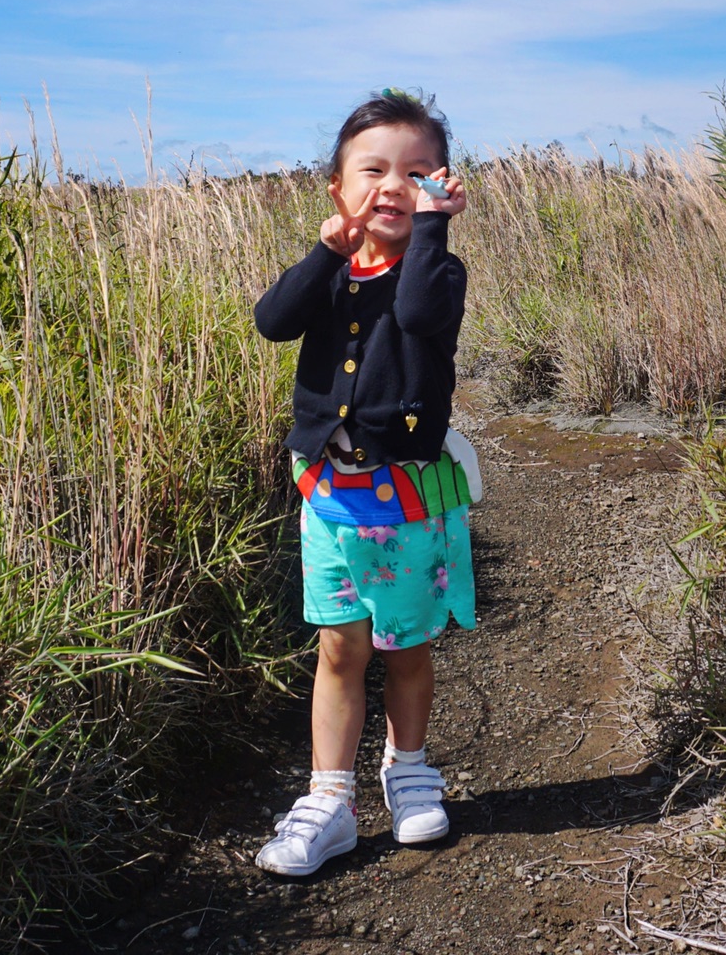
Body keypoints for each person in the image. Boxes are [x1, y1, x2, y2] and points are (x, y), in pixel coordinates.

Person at [251, 89, 480, 876]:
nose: (394, 184)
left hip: (409, 503)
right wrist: (326, 254)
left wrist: (430, 226)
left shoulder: (437, 271)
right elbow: (273, 320)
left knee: (407, 647)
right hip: (329, 498)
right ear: (339, 189)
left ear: (442, 187)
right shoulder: (331, 273)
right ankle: (331, 799)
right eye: (374, 169)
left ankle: (409, 769)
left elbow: (415, 314)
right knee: (340, 648)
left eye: (417, 172)